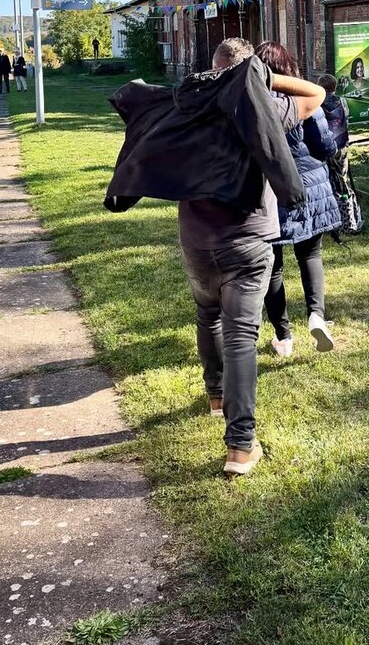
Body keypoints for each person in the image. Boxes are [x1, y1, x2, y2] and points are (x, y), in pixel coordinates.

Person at [106, 37, 324, 477]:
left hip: (196, 238)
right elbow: (316, 94)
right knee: (242, 335)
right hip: (247, 238)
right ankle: (240, 446)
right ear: (250, 73)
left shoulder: (183, 105)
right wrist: (266, 78)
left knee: (207, 316)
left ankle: (216, 396)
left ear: (213, 66)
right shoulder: (264, 107)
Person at [256, 43, 341, 359]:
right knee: (311, 254)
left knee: (273, 265)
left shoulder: (253, 105)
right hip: (311, 187)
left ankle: (283, 336)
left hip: (271, 189)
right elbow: (324, 147)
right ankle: (316, 315)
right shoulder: (307, 99)